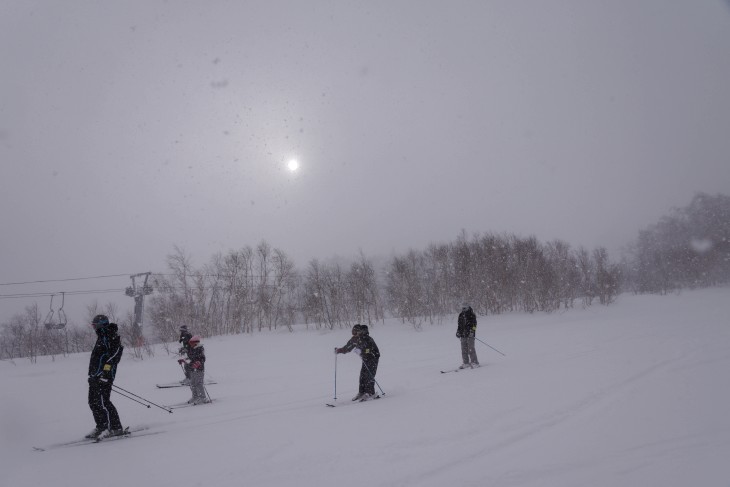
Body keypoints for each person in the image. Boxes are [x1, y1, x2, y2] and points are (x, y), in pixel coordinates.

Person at [85, 314, 125, 439]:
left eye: (95, 325)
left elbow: (113, 357)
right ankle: (101, 426)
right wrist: (92, 375)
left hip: (104, 377)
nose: (94, 328)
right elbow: (98, 358)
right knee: (93, 402)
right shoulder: (101, 337)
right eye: (93, 326)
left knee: (103, 402)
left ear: (101, 325)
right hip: (95, 377)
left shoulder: (110, 335)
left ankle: (114, 427)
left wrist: (105, 374)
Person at [335, 324, 381, 401]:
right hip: (365, 359)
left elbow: (369, 349)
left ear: (359, 332)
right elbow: (347, 347)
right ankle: (362, 392)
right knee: (362, 375)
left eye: (355, 332)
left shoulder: (367, 338)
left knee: (369, 375)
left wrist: (361, 351)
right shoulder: (354, 339)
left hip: (373, 357)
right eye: (353, 331)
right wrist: (339, 350)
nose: (354, 333)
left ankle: (370, 393)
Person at [178, 335, 208, 404]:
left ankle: (202, 397)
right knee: (192, 384)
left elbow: (203, 358)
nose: (190, 344)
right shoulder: (191, 349)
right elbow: (189, 359)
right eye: (190, 343)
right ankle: (195, 397)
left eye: (191, 342)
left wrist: (199, 363)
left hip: (199, 369)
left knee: (199, 383)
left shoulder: (200, 348)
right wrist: (183, 360)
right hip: (192, 369)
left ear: (196, 342)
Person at [456, 303, 479, 368]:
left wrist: (472, 331)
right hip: (463, 335)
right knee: (464, 349)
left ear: (468, 308)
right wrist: (458, 332)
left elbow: (474, 325)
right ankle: (466, 363)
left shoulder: (472, 315)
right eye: (462, 308)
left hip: (470, 335)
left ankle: (474, 362)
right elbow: (459, 325)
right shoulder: (461, 315)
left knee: (471, 348)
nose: (463, 309)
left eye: (464, 308)